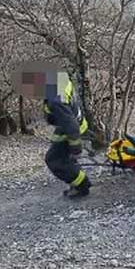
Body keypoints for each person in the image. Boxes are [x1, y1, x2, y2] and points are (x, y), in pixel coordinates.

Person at [41, 69, 91, 199]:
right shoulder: (60, 82)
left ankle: (82, 186)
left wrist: (75, 147)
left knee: (54, 160)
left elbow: (70, 123)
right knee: (64, 157)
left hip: (71, 129)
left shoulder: (55, 101)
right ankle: (77, 178)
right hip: (72, 125)